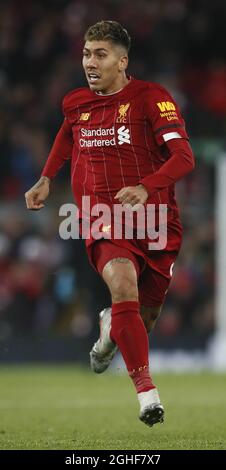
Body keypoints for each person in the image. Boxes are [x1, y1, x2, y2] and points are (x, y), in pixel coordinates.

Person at [25, 20, 195, 428]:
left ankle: (109, 326)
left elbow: (184, 157)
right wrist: (48, 177)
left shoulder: (151, 98)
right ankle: (147, 395)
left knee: (142, 318)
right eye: (86, 53)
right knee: (122, 284)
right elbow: (67, 135)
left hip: (155, 221)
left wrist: (145, 186)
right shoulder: (75, 102)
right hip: (102, 216)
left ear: (122, 60)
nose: (90, 62)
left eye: (100, 54)